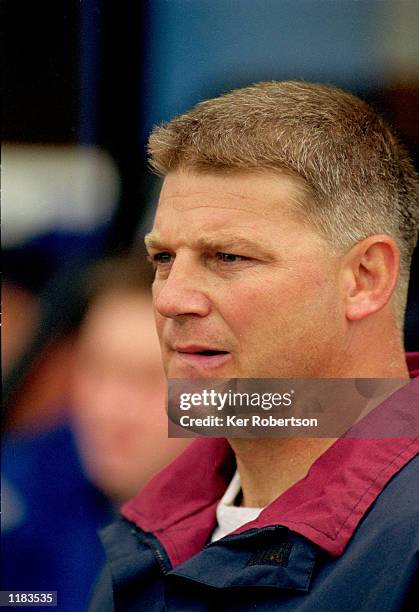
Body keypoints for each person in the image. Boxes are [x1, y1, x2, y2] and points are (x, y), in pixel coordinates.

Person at [89, 81, 419, 611]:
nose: (172, 299)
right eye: (163, 259)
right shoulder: (145, 533)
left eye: (228, 257)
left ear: (364, 278)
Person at [2, 254, 189, 612]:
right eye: (97, 368)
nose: (110, 407)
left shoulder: (253, 538)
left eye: (149, 379)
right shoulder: (22, 486)